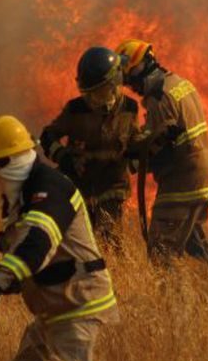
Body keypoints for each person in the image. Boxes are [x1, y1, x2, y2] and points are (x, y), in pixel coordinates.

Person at [0, 115, 119, 361]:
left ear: (13, 159)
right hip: (53, 308)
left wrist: (0, 282)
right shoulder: (22, 196)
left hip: (79, 306)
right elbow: (25, 255)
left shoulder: (50, 189)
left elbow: (37, 245)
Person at [116, 40, 208, 261]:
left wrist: (133, 162)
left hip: (183, 180)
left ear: (141, 68)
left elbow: (165, 148)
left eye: (130, 79)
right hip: (205, 173)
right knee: (196, 244)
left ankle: (175, 295)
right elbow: (171, 130)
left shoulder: (159, 97)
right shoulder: (180, 83)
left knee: (160, 249)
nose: (131, 87)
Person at [39, 47, 138, 249]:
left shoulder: (130, 108)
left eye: (97, 92)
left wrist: (143, 150)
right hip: (79, 189)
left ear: (113, 84)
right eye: (88, 93)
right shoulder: (75, 109)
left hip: (113, 189)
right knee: (78, 244)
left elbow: (134, 142)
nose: (92, 99)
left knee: (110, 243)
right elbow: (47, 136)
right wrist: (63, 157)